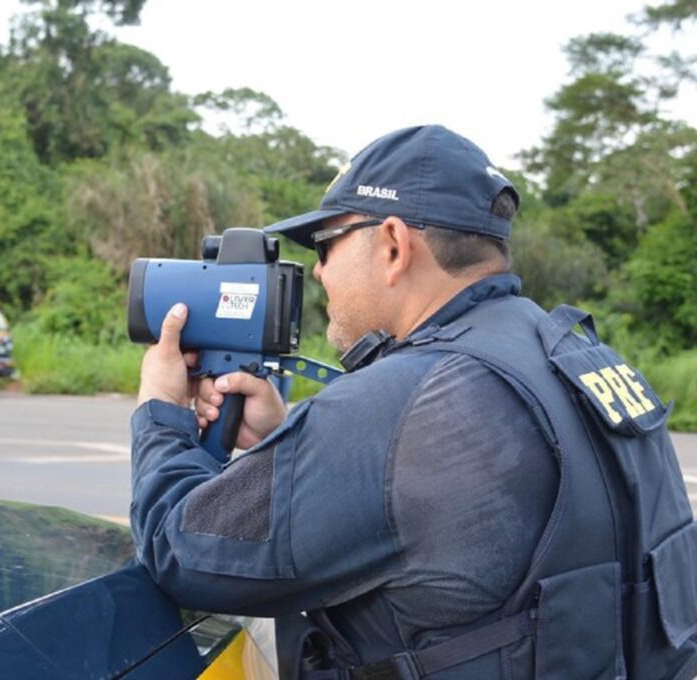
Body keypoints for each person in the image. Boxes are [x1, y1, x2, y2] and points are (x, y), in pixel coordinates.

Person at [130, 125, 697, 679]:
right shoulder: (582, 360)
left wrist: (162, 411)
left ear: (395, 245)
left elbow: (178, 549)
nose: (320, 271)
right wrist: (293, 442)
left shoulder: (402, 406)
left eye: (327, 246)